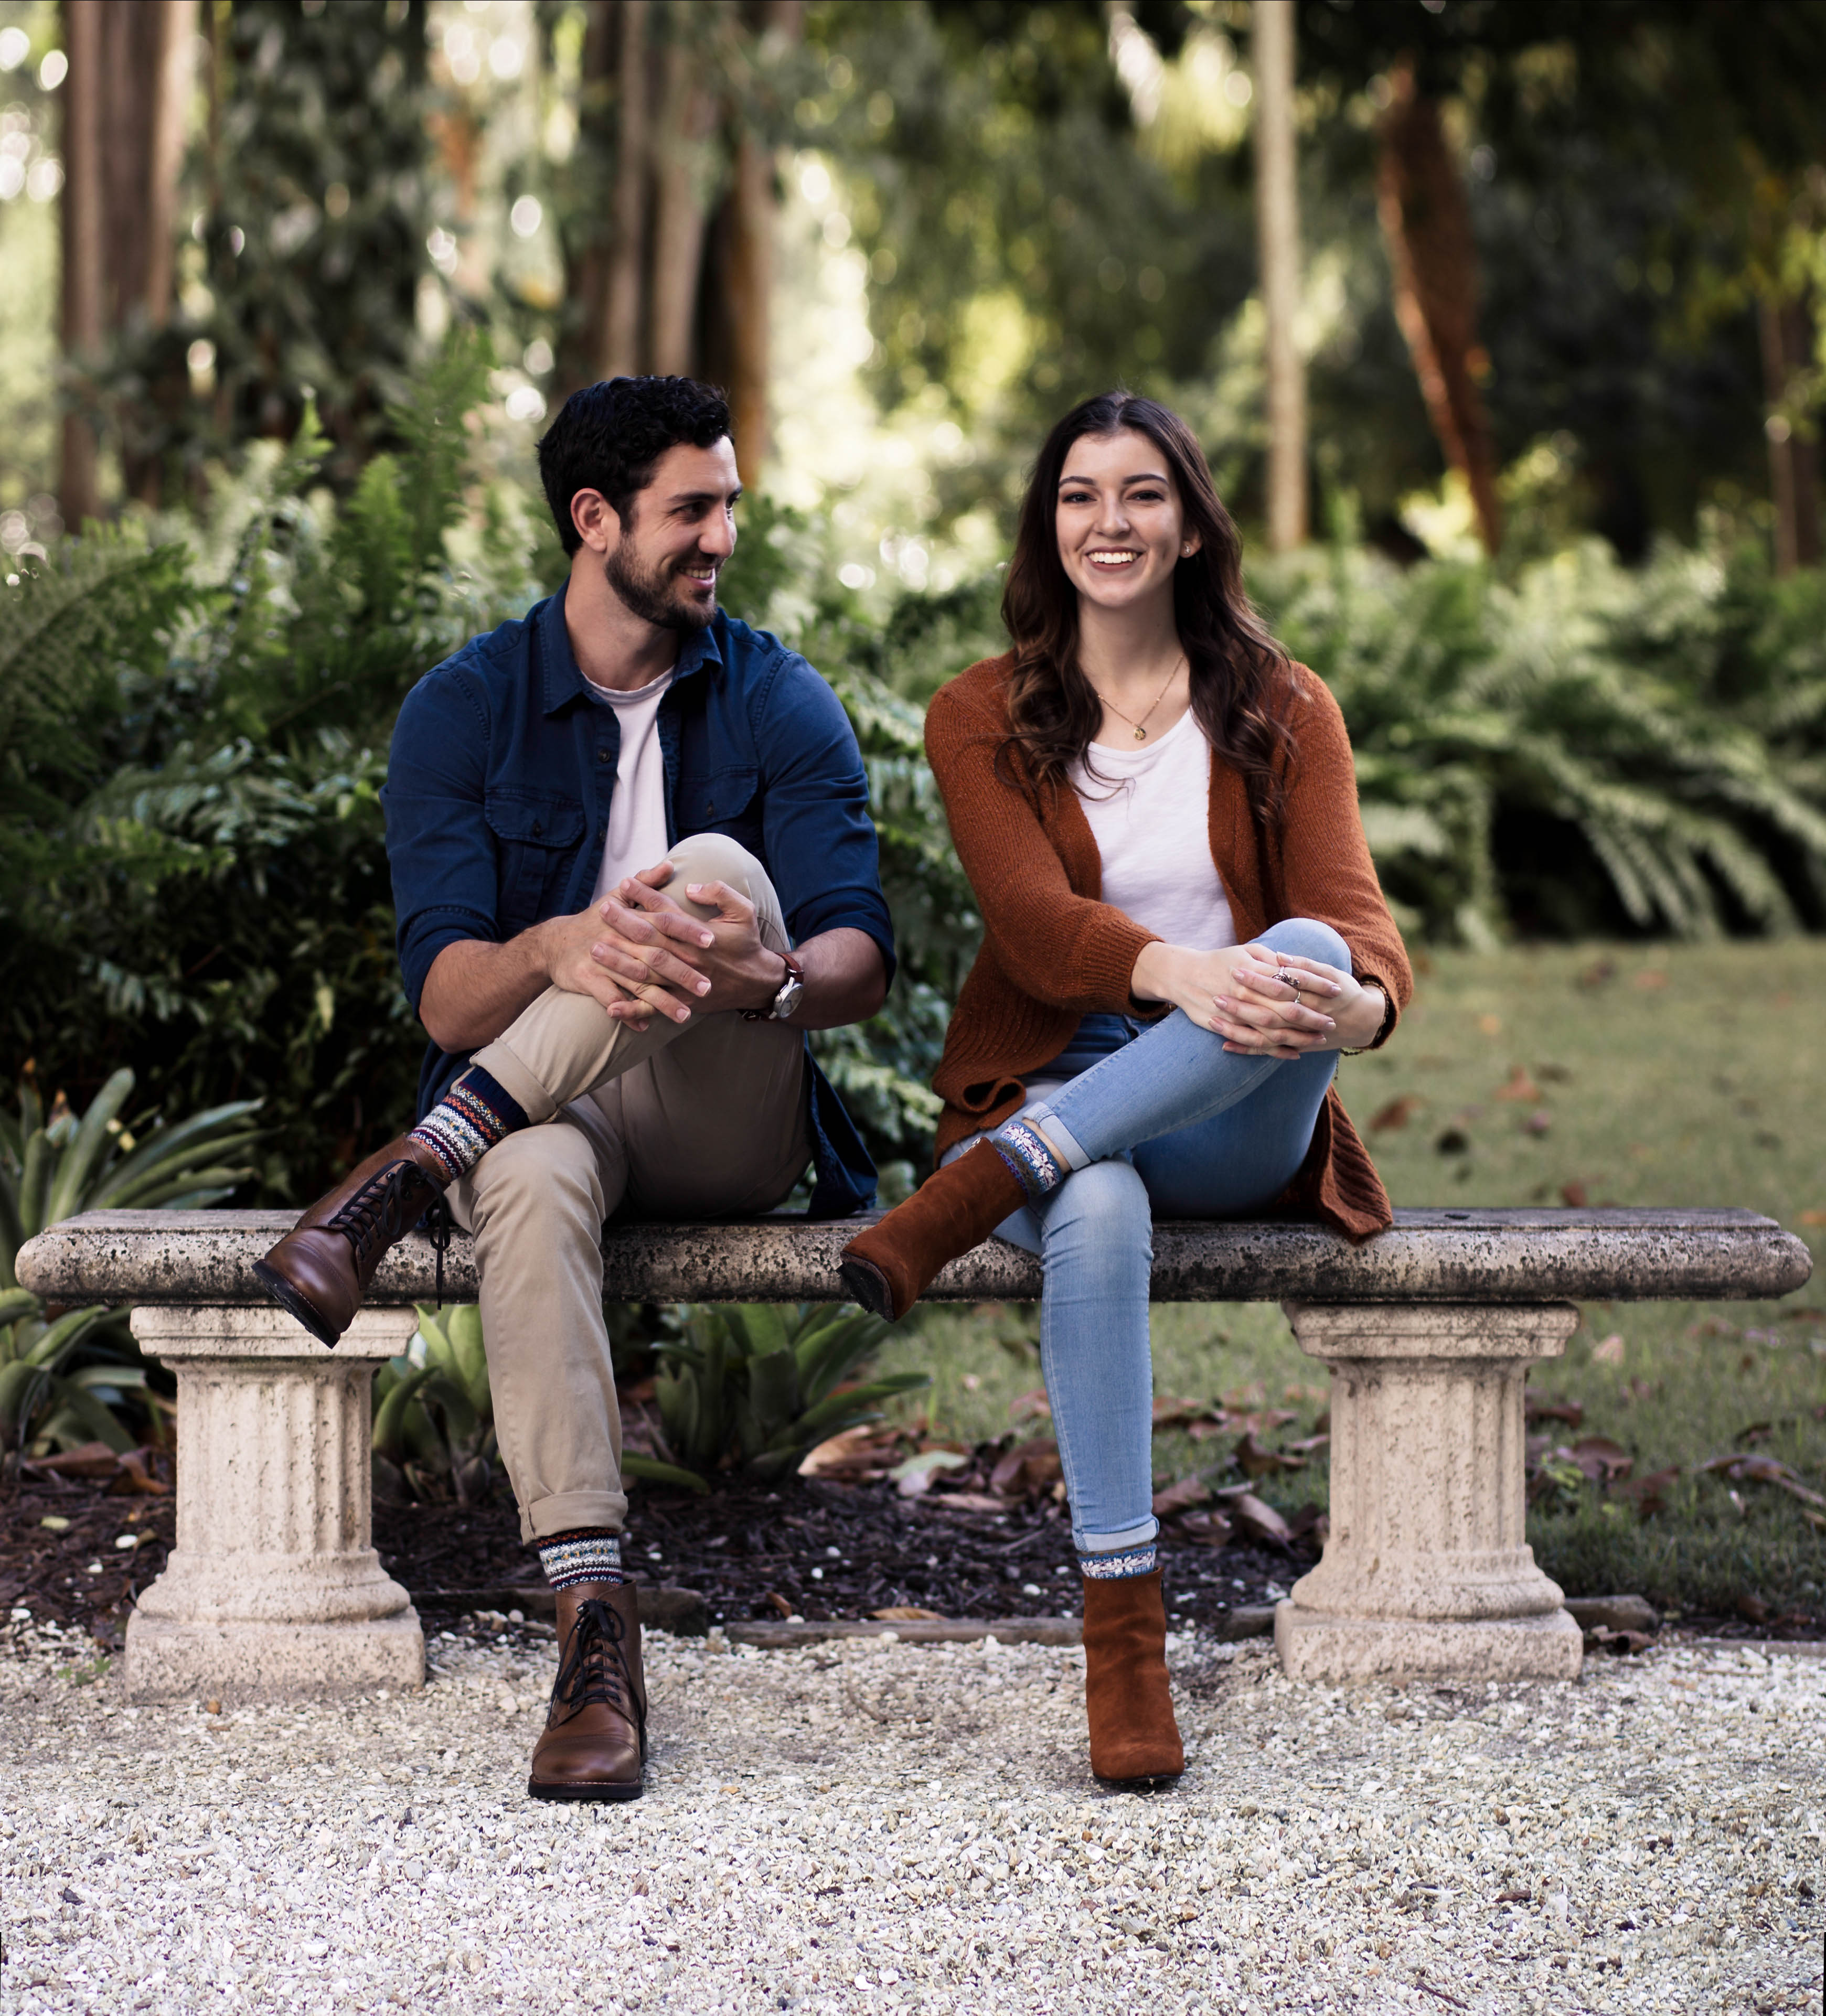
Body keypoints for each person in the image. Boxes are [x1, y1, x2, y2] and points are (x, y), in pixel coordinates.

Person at [255, 376, 895, 1804]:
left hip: (723, 1111)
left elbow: (860, 954)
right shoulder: (464, 709)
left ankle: (412, 1165)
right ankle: (594, 1639)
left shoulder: (775, 696)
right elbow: (448, 997)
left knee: (711, 871)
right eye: (692, 509)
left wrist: (770, 975)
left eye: (730, 505)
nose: (722, 536)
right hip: (551, 1120)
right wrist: (561, 944)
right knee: (531, 1171)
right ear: (593, 518)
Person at [840, 392, 1412, 1787]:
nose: (1111, 522)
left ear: (1190, 525)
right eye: (1080, 495)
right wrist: (1179, 973)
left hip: (1231, 1114)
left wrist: (1355, 1009)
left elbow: (1357, 929)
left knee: (1304, 945)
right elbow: (1038, 932)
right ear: (1050, 527)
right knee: (1091, 1197)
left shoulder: (1283, 707)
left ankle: (978, 1187)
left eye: (1142, 493)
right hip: (1054, 1082)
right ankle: (1124, 1643)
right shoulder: (979, 713)